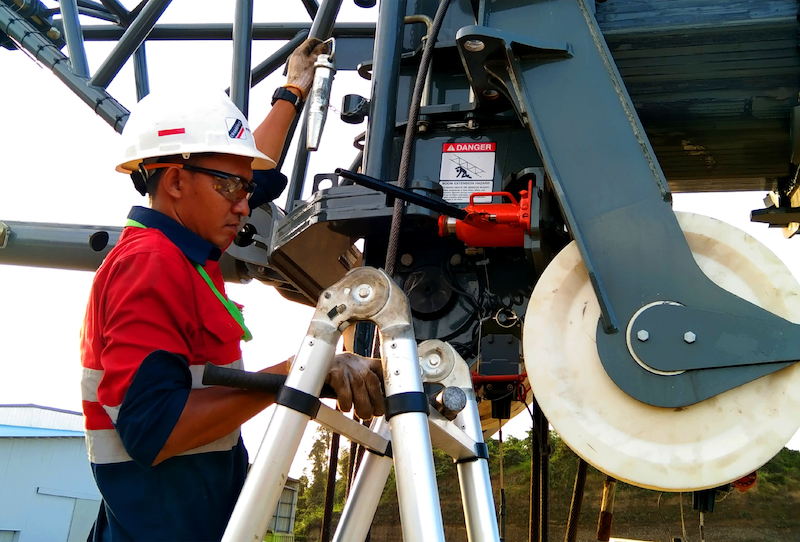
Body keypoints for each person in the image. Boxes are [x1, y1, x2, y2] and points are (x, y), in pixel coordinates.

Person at [80, 39, 384, 542]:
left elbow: (251, 175)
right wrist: (303, 371)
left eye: (243, 190)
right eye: (231, 189)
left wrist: (292, 90)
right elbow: (155, 430)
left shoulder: (186, 251)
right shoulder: (150, 266)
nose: (246, 205)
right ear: (175, 182)